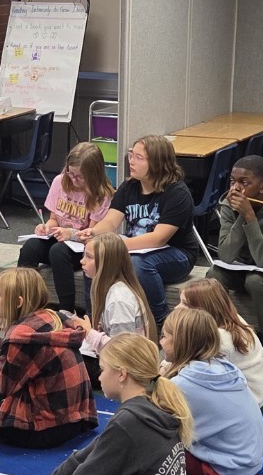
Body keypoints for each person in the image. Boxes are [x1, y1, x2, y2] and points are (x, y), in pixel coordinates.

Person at [29, 333, 192, 475]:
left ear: (122, 374)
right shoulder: (158, 406)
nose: (99, 376)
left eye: (103, 369)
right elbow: (89, 453)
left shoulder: (129, 421)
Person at [0, 267, 97, 448]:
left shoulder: (20, 337)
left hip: (42, 430)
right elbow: (26, 363)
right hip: (77, 419)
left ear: (18, 302)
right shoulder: (54, 317)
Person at [88, 134, 198, 326]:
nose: (131, 161)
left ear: (157, 163)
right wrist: (94, 233)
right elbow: (110, 222)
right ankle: (95, 319)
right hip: (137, 248)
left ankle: (160, 320)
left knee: (138, 264)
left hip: (177, 253)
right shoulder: (129, 186)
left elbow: (158, 239)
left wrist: (117, 246)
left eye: (139, 158)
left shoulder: (177, 193)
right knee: (97, 255)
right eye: (131, 155)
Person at [205, 154, 263, 372]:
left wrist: (249, 217)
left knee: (255, 281)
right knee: (213, 275)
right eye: (232, 181)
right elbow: (226, 255)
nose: (235, 189)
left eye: (244, 183)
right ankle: (218, 334)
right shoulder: (228, 204)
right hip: (239, 265)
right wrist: (239, 215)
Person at [161, 308, 263, 475]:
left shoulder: (182, 384)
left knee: (148, 443)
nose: (160, 342)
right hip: (250, 463)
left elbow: (155, 422)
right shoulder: (224, 367)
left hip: (226, 472)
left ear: (179, 342)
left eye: (163, 336)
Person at [17, 142, 113, 313]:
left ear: (93, 175)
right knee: (30, 247)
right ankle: (23, 301)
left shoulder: (101, 194)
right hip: (60, 238)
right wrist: (46, 227)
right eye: (71, 173)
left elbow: (91, 236)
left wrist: (71, 234)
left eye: (80, 177)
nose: (74, 179)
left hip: (82, 248)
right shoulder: (60, 181)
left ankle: (67, 310)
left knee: (58, 252)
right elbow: (54, 218)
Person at [72, 232, 156, 387]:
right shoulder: (111, 289)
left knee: (65, 361)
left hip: (126, 370)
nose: (82, 261)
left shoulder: (118, 299)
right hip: (119, 363)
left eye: (89, 257)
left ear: (106, 263)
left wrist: (90, 333)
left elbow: (122, 351)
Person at [178, 278, 263, 408]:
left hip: (248, 400)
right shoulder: (229, 318)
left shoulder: (219, 338)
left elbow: (188, 369)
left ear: (201, 309)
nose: (177, 307)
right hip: (245, 390)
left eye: (185, 304)